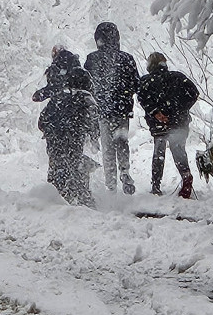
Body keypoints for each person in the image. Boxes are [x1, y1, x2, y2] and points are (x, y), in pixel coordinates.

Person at [33, 48, 98, 206]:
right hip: (76, 124)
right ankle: (81, 193)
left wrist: (42, 95)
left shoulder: (56, 73)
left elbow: (43, 95)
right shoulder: (82, 75)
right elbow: (92, 97)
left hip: (55, 124)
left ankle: (58, 193)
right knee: (74, 157)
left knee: (57, 159)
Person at [84, 22, 140, 194]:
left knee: (108, 148)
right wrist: (125, 94)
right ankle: (124, 170)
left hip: (102, 110)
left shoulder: (92, 59)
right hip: (122, 110)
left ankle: (111, 185)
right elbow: (136, 84)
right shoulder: (127, 58)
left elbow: (87, 85)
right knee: (122, 141)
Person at [137, 52, 199, 198]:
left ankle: (156, 186)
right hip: (179, 122)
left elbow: (142, 98)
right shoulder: (178, 77)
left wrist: (156, 112)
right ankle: (186, 176)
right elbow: (194, 93)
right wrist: (180, 109)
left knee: (159, 152)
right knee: (177, 149)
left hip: (158, 123)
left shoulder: (146, 81)